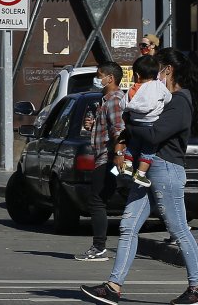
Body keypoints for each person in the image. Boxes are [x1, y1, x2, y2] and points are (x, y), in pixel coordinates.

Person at [81, 48, 198, 305]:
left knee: (179, 229)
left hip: (166, 169)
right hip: (147, 170)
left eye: (158, 68)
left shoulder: (180, 100)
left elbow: (153, 135)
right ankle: (113, 286)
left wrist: (128, 124)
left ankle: (197, 289)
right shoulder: (162, 98)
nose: (154, 75)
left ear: (168, 70)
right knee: (128, 226)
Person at [74, 61, 124, 263]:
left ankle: (99, 246)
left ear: (110, 78)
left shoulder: (113, 100)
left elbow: (118, 129)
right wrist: (93, 124)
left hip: (108, 160)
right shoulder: (106, 100)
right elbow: (109, 126)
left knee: (97, 200)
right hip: (105, 159)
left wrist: (118, 154)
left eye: (99, 75)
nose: (98, 78)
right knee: (102, 196)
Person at [114, 55, 172, 187]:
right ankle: (140, 174)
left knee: (133, 145)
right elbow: (168, 99)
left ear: (137, 75)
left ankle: (128, 167)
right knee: (148, 151)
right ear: (157, 73)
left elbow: (123, 104)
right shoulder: (158, 86)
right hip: (150, 126)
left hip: (134, 125)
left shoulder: (134, 88)